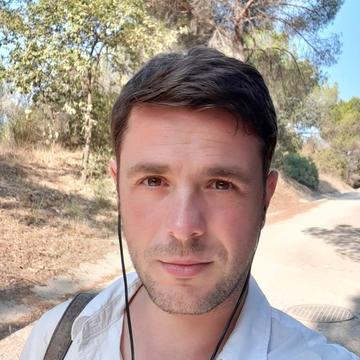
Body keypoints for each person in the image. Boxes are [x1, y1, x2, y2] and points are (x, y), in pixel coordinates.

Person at [21, 47, 358, 360]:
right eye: (153, 181)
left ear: (265, 198)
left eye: (221, 185)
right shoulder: (55, 340)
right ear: (118, 187)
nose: (183, 228)